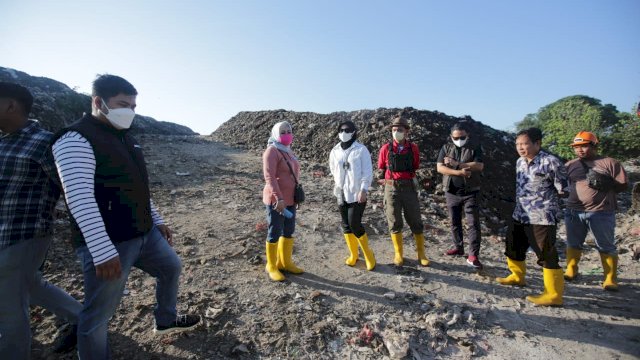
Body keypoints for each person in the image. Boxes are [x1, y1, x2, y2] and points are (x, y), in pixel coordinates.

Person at [51, 75, 200, 359]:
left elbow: (138, 186)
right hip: (110, 243)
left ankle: (165, 320)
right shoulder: (75, 139)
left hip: (144, 233)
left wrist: (156, 219)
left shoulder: (126, 139)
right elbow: (78, 198)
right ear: (98, 102)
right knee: (97, 316)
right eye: (122, 104)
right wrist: (101, 250)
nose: (129, 111)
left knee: (171, 268)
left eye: (133, 106)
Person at [0, 82, 82, 358]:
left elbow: (73, 189)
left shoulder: (45, 143)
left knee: (9, 306)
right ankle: (83, 319)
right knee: (31, 285)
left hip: (23, 234)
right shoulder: (5, 141)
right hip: (5, 234)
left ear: (11, 105)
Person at [496, 128, 568, 306]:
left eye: (525, 143)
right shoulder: (520, 162)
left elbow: (564, 189)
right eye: (518, 144)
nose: (521, 147)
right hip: (521, 213)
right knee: (513, 246)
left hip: (542, 216)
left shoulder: (550, 162)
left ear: (537, 143)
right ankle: (517, 276)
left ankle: (553, 294)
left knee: (545, 253)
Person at [563, 131, 628, 291]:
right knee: (573, 242)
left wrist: (606, 185)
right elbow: (564, 186)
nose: (580, 150)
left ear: (594, 145)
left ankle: (610, 278)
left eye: (584, 146)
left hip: (601, 212)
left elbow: (623, 185)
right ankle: (572, 269)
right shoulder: (570, 165)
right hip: (573, 211)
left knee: (606, 245)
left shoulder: (610, 163)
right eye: (577, 147)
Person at [377, 114, 429, 267]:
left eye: (399, 129)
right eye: (393, 129)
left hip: (409, 187)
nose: (396, 132)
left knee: (415, 219)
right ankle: (398, 254)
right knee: (394, 219)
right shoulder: (386, 148)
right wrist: (384, 180)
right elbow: (381, 167)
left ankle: (421, 254)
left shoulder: (413, 148)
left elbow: (416, 165)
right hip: (391, 186)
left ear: (407, 131)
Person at [436, 122, 484, 269]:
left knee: (473, 223)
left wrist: (456, 164)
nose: (459, 140)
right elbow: (440, 168)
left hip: (471, 191)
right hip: (451, 190)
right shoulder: (446, 148)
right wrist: (459, 172)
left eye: (462, 137)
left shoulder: (475, 147)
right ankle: (459, 247)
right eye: (456, 137)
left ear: (467, 135)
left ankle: (473, 255)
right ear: (451, 137)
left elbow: (479, 166)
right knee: (454, 221)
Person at [329, 120, 376, 270]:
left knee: (355, 224)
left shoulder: (361, 150)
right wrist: (338, 185)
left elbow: (367, 171)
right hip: (341, 193)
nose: (344, 133)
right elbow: (333, 169)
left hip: (357, 194)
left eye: (348, 130)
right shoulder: (335, 151)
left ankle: (369, 255)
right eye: (341, 130)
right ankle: (353, 255)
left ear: (354, 132)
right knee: (346, 225)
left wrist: (363, 189)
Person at [262, 121, 304, 281]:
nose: (287, 134)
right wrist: (278, 198)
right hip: (276, 200)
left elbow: (294, 175)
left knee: (289, 230)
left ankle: (285, 262)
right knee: (274, 231)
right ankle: (271, 266)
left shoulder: (288, 151)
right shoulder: (271, 151)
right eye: (283, 131)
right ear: (275, 134)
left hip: (290, 199)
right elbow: (270, 178)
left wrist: (296, 196)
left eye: (289, 131)